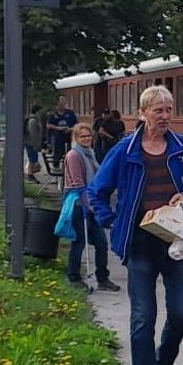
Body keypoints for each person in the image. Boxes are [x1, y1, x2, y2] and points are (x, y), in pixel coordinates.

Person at [85, 84, 183, 365]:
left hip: (178, 244)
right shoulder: (124, 152)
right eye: (158, 110)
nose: (165, 116)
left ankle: (164, 362)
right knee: (143, 318)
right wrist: (111, 221)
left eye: (169, 110)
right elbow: (96, 192)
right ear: (143, 113)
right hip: (141, 245)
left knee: (182, 312)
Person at [61, 122, 118, 294]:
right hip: (79, 204)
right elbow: (78, 183)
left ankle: (102, 278)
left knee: (101, 242)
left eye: (88, 136)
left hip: (92, 205)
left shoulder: (90, 154)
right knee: (78, 243)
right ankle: (74, 277)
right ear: (76, 138)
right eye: (82, 136)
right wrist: (88, 204)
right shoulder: (74, 155)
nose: (86, 139)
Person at [23, 105, 45, 181]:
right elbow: (33, 134)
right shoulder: (33, 121)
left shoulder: (35, 120)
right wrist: (37, 144)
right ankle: (29, 174)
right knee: (33, 160)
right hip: (31, 143)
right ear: (37, 111)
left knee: (32, 159)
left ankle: (30, 174)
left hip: (31, 142)